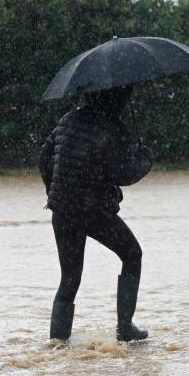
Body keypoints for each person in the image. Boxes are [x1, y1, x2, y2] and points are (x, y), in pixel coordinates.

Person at [39, 84, 153, 342]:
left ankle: (57, 343)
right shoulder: (112, 128)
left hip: (63, 210)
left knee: (69, 279)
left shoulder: (67, 120)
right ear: (117, 98)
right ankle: (125, 328)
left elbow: (43, 158)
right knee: (132, 254)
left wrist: (53, 191)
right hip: (92, 211)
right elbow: (123, 173)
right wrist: (145, 159)